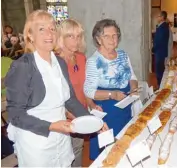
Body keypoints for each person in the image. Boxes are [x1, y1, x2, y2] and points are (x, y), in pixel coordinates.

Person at [5, 10, 93, 167]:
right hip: (36, 143)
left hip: (61, 137)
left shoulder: (59, 62)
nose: (49, 33)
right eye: (41, 29)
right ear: (30, 35)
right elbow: (15, 115)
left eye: (52, 28)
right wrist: (51, 126)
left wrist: (92, 120)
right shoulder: (22, 67)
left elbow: (70, 99)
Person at [84, 19, 138, 160]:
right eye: (106, 36)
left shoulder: (123, 54)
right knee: (108, 153)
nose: (112, 39)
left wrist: (133, 87)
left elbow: (132, 76)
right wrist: (112, 94)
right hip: (108, 112)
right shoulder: (94, 61)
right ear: (98, 39)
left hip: (125, 106)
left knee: (124, 144)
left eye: (115, 35)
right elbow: (89, 91)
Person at [56, 19, 103, 167]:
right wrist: (77, 116)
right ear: (61, 38)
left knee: (77, 149)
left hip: (80, 112)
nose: (76, 41)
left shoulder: (81, 58)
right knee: (62, 156)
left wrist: (91, 105)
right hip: (63, 116)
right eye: (70, 36)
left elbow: (85, 86)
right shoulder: (55, 62)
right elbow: (57, 97)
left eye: (78, 36)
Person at [153, 11, 169, 87]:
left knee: (159, 71)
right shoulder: (161, 26)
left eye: (158, 16)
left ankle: (160, 87)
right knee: (159, 70)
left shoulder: (163, 27)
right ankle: (160, 86)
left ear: (162, 17)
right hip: (160, 51)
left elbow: (159, 41)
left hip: (160, 52)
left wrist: (153, 49)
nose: (157, 18)